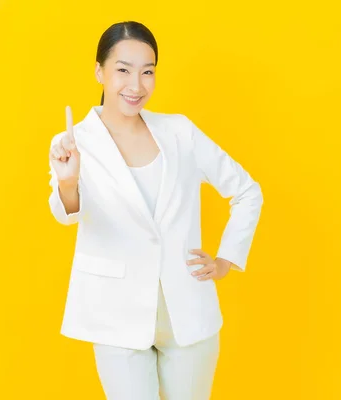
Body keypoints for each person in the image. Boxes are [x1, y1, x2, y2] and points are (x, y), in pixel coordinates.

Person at [48, 21, 263, 400]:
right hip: (116, 315)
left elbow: (247, 191)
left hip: (187, 313)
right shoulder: (74, 142)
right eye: (123, 70)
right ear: (99, 71)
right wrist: (68, 182)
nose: (136, 85)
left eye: (147, 72)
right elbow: (67, 213)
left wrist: (227, 259)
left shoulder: (179, 132)